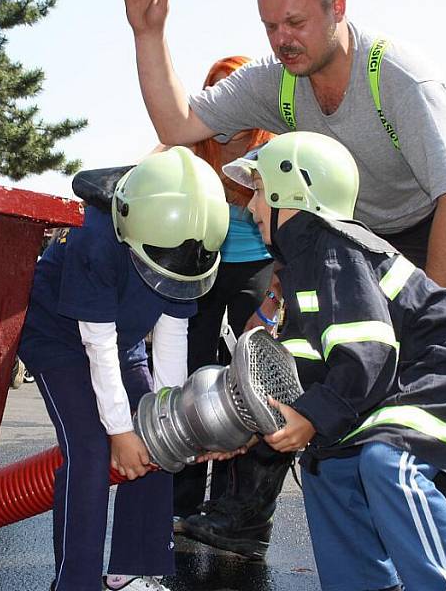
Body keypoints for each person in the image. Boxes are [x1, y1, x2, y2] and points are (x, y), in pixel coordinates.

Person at [120, 0, 446, 555]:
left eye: (295, 23)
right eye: (270, 26)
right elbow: (178, 120)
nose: (282, 39)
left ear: (337, 9)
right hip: (358, 236)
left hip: (445, 223)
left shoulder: (398, 77)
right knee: (300, 365)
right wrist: (150, 34)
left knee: (414, 370)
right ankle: (246, 519)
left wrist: (422, 324)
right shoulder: (276, 80)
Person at [222, 130, 446, 591]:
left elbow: (367, 352)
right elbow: (303, 369)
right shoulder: (301, 265)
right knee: (327, 466)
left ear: (288, 192)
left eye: (256, 191)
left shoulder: (335, 248)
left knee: (389, 463)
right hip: (398, 374)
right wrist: (245, 428)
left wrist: (313, 416)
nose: (250, 208)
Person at [17, 147, 229, 591]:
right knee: (91, 450)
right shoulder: (92, 237)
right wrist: (119, 432)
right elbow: (96, 343)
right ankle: (75, 583)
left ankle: (132, 569)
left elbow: (172, 336)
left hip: (124, 340)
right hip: (59, 337)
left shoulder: (189, 238)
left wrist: (168, 420)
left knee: (159, 437)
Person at [170, 57, 280, 540]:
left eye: (228, 91)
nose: (220, 103)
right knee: (193, 378)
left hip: (257, 268)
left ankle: (237, 511)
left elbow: (285, 224)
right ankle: (183, 499)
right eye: (211, 92)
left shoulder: (272, 144)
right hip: (205, 269)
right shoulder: (192, 147)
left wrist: (274, 295)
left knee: (249, 383)